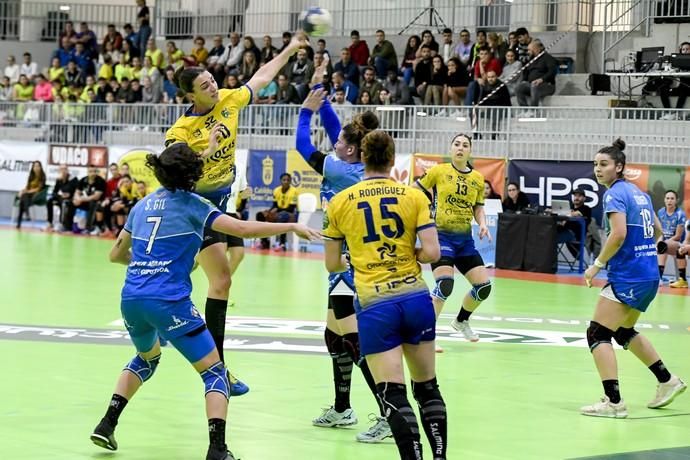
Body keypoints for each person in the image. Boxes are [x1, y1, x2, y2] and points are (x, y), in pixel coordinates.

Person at [89, 143, 319, 460]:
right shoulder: (194, 205)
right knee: (214, 373)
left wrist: (149, 264)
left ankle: (106, 423)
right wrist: (292, 225)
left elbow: (115, 255)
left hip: (131, 299)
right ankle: (217, 450)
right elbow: (240, 228)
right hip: (168, 301)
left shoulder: (140, 206)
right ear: (193, 176)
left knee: (146, 359)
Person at [163, 31, 309, 395]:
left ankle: (168, 326)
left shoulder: (229, 99)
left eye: (212, 81)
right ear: (190, 95)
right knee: (221, 280)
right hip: (194, 206)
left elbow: (261, 77)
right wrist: (208, 152)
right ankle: (218, 370)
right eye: (205, 85)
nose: (213, 87)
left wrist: (290, 49)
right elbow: (172, 168)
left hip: (222, 199)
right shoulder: (181, 130)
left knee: (206, 275)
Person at [323, 130, 447, 460]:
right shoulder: (414, 196)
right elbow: (433, 253)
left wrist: (352, 258)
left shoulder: (339, 202)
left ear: (362, 158)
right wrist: (411, 255)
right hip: (416, 299)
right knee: (427, 388)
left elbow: (332, 264)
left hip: (376, 305)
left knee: (393, 392)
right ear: (393, 160)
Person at [297, 69, 391, 441]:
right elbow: (339, 130)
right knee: (334, 337)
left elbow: (305, 147)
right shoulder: (352, 162)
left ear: (350, 149)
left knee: (354, 341)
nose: (334, 142)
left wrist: (306, 113)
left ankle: (388, 413)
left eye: (339, 141)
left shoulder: (339, 170)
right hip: (342, 262)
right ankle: (342, 408)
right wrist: (322, 99)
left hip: (353, 263)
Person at [581, 139, 686, 418]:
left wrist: (597, 265)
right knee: (623, 332)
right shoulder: (638, 193)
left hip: (629, 276)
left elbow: (618, 234)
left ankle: (613, 402)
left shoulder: (614, 194)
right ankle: (667, 380)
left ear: (619, 167)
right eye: (595, 165)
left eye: (603, 164)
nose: (598, 169)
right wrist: (649, 252)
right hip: (649, 276)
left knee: (596, 334)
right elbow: (658, 230)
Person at [414, 134, 492, 343]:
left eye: (465, 145)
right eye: (457, 144)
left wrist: (483, 224)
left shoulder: (477, 177)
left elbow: (478, 207)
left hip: (465, 240)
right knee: (445, 285)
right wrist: (424, 211)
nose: (460, 148)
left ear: (470, 151)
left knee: (484, 287)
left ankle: (461, 321)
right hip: (441, 237)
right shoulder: (439, 171)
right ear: (451, 149)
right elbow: (416, 191)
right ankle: (426, 334)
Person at [255, 173, 297, 251]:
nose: (286, 182)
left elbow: (291, 208)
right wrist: (269, 211)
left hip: (290, 215)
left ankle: (282, 244)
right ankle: (264, 242)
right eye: (284, 180)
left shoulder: (294, 191)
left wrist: (276, 211)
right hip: (279, 213)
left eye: (288, 180)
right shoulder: (276, 190)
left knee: (282, 216)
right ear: (280, 181)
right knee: (260, 215)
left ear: (290, 181)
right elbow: (275, 205)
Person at [656, 190, 687, 288]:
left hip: (678, 243)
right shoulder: (661, 212)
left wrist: (664, 242)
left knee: (662, 246)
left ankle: (681, 279)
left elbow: (678, 236)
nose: (669, 201)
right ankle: (659, 278)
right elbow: (662, 232)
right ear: (664, 200)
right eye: (667, 198)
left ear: (676, 201)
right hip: (666, 241)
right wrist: (659, 240)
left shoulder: (680, 214)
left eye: (672, 198)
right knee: (659, 245)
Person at [16, 161, 46, 229]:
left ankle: (21, 220)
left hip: (38, 196)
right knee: (22, 199)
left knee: (23, 199)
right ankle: (26, 215)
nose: (36, 167)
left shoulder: (43, 176)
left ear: (40, 167)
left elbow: (39, 188)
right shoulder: (31, 176)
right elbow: (27, 187)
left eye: (38, 166)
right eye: (35, 166)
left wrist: (27, 191)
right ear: (33, 167)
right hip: (28, 196)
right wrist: (22, 191)